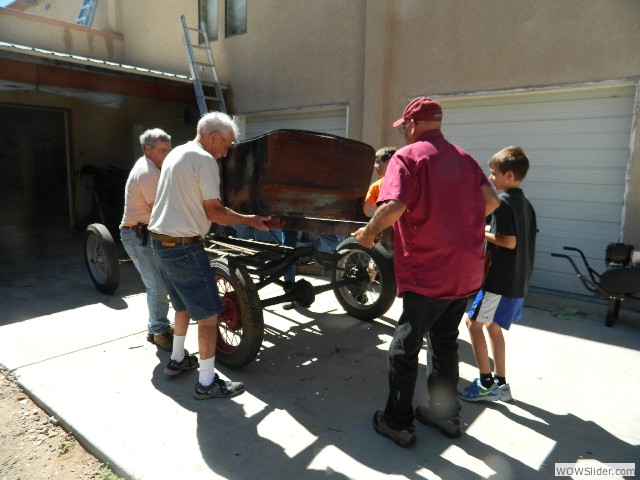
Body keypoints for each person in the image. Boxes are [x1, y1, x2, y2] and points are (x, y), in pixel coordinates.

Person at [353, 97, 499, 447]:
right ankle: (445, 415)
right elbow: (491, 202)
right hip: (465, 273)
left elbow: (394, 206)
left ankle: (397, 423)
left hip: (429, 273)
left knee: (405, 345)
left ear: (413, 126)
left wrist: (369, 233)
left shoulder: (408, 157)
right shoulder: (465, 159)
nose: (404, 133)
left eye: (404, 127)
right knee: (445, 340)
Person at [148, 111, 271, 400]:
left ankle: (177, 359)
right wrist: (251, 220)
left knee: (182, 306)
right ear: (213, 137)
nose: (227, 152)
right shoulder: (204, 160)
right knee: (209, 316)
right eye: (226, 144)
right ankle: (206, 382)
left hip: (160, 244)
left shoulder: (178, 152)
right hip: (183, 247)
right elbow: (215, 212)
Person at [458, 146, 537, 403]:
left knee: (473, 323)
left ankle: (486, 383)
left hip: (499, 281)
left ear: (510, 175)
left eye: (493, 173)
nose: (490, 179)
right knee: (492, 326)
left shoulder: (502, 202)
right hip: (517, 279)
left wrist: (480, 231)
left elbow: (510, 241)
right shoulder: (525, 204)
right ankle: (501, 384)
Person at [119, 128, 173, 351]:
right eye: (162, 151)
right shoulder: (148, 172)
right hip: (138, 235)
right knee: (157, 286)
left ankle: (156, 326)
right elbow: (159, 211)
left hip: (144, 232)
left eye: (169, 150)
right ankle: (160, 332)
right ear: (147, 149)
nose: (167, 155)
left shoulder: (153, 167)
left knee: (159, 284)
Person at [362, 147, 396, 217]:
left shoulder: (406, 181)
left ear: (389, 162)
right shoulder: (376, 186)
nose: (374, 165)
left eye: (377, 161)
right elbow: (363, 210)